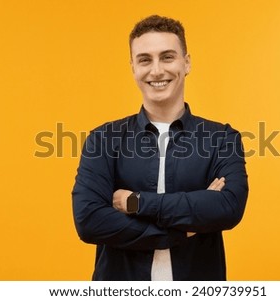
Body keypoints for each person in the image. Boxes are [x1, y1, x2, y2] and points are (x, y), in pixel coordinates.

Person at [72, 15, 248, 281]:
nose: (156, 71)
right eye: (145, 59)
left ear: (186, 63)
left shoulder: (221, 138)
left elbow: (227, 207)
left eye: (167, 57)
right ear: (133, 67)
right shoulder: (103, 139)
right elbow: (89, 221)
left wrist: (135, 202)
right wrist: (180, 230)